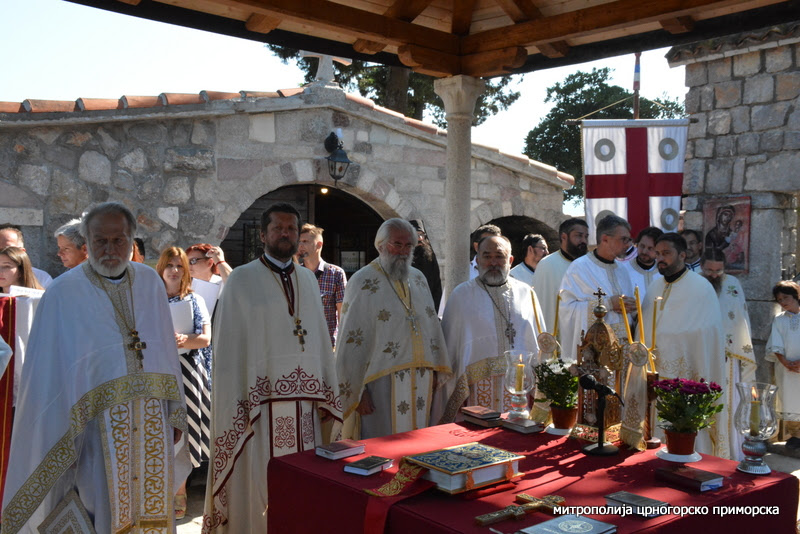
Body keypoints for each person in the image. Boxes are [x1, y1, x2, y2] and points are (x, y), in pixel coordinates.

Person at [2, 201, 188, 533]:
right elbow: (48, 377)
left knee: (152, 512)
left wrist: (173, 412)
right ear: (87, 242)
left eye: (119, 240)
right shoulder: (62, 293)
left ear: (132, 241)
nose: (110, 248)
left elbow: (164, 355)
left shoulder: (149, 283)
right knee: (102, 512)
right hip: (95, 431)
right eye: (101, 240)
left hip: (150, 425)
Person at [203, 203, 340, 534]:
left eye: (291, 229)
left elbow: (320, 340)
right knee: (259, 481)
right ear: (263, 235)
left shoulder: (308, 280)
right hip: (258, 410)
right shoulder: (240, 281)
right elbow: (229, 348)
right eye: (278, 228)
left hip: (304, 409)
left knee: (301, 486)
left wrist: (326, 388)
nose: (285, 233)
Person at [336, 218, 450, 440]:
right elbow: (351, 338)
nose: (403, 251)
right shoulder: (363, 281)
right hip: (380, 383)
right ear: (380, 245)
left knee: (419, 441)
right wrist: (358, 392)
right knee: (382, 445)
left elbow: (430, 327)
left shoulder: (418, 279)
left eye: (409, 245)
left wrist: (436, 368)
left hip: (421, 380)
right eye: (397, 244)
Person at [439, 235, 545, 422]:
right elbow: (450, 347)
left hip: (519, 386)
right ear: (477, 260)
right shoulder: (461, 295)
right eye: (487, 256)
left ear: (510, 261)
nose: (493, 262)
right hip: (474, 388)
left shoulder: (526, 293)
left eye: (499, 256)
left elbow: (538, 342)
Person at [640, 233, 726, 457]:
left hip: (684, 370)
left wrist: (669, 336)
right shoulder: (654, 286)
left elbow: (706, 332)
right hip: (653, 372)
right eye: (657, 253)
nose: (660, 258)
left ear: (683, 255)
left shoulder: (700, 288)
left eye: (666, 253)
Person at [156, 246, 212, 519]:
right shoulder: (149, 300)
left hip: (188, 374)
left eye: (180, 266)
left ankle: (180, 490)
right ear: (161, 269)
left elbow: (205, 338)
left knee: (185, 433)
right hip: (159, 374)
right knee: (163, 431)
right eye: (170, 266)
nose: (175, 270)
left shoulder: (195, 300)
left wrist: (183, 340)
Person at [700, 248, 756, 458]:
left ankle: (731, 452)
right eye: (709, 270)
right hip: (703, 354)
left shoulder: (733, 284)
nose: (714, 275)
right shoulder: (695, 284)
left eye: (719, 270)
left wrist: (733, 349)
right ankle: (705, 451)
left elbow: (741, 319)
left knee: (729, 404)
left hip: (729, 358)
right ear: (701, 266)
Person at [559, 215, 635, 362]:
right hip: (596, 351)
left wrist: (632, 308)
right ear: (605, 238)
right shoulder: (579, 267)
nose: (628, 245)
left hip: (624, 350)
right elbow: (567, 310)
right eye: (623, 239)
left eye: (629, 240)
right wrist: (607, 305)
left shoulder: (622, 270)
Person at [531, 218, 588, 336]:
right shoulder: (547, 265)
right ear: (564, 237)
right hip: (558, 336)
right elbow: (543, 305)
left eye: (586, 237)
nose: (583, 241)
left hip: (584, 333)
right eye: (578, 236)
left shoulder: (589, 265)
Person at [298, 224, 347, 347]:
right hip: (300, 344)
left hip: (327, 344)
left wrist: (342, 344)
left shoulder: (336, 273)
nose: (300, 246)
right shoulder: (294, 274)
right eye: (299, 242)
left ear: (319, 245)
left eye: (305, 241)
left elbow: (343, 312)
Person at [766, 281, 800, 450]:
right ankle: (795, 435)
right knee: (789, 399)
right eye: (779, 299)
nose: (783, 302)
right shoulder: (779, 320)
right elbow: (775, 342)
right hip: (786, 369)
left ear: (796, 296)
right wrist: (785, 361)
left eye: (786, 297)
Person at [622, 226, 663, 299]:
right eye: (642, 246)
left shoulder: (664, 273)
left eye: (650, 248)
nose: (644, 251)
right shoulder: (623, 270)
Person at [410, 219, 443, 310]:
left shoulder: (430, 256)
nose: (420, 238)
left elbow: (436, 285)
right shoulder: (403, 258)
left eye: (421, 235)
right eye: (416, 235)